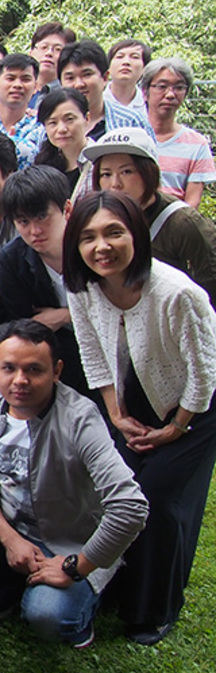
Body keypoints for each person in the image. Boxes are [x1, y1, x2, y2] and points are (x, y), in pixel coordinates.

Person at [64, 190, 216, 644]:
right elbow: (92, 353)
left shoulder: (177, 293)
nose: (101, 247)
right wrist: (116, 412)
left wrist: (177, 426)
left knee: (163, 502)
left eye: (114, 232)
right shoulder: (84, 287)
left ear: (138, 236)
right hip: (133, 402)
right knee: (121, 495)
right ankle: (115, 587)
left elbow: (205, 372)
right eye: (88, 237)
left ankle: (155, 610)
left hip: (197, 408)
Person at [0, 319, 148, 646]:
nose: (20, 380)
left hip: (68, 544)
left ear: (57, 370)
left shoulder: (80, 419)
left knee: (48, 618)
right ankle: (17, 580)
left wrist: (76, 566)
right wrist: (11, 540)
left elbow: (131, 506)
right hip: (8, 534)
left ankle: (88, 592)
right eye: (9, 368)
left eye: (34, 370)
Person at [86, 127, 216, 304]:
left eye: (126, 172)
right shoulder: (98, 220)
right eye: (106, 174)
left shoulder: (183, 224)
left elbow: (209, 284)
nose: (114, 184)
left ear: (149, 173)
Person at [0, 165, 87, 395]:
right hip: (58, 359)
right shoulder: (13, 260)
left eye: (42, 216)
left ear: (67, 209)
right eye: (23, 222)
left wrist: (67, 315)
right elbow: (26, 324)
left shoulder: (92, 247)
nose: (34, 231)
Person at [140, 58, 215, 207]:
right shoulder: (130, 137)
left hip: (174, 224)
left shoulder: (196, 144)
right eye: (162, 86)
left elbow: (192, 203)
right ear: (145, 92)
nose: (170, 94)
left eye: (179, 88)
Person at [57, 41, 150, 142]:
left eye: (87, 75)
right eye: (70, 78)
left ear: (105, 77)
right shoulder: (47, 128)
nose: (79, 84)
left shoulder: (132, 122)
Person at [34, 87, 92, 195]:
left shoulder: (98, 164)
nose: (62, 129)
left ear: (87, 119)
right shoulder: (43, 164)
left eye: (69, 119)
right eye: (53, 123)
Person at [0, 54, 43, 149]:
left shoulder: (41, 130)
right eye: (10, 79)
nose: (17, 85)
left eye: (25, 79)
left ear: (35, 87)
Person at [28, 22, 76, 107]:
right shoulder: (17, 88)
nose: (49, 53)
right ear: (31, 53)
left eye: (58, 49)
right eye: (44, 47)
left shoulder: (69, 96)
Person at [105, 39, 150, 114]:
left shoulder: (149, 104)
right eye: (120, 57)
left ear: (144, 68)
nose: (126, 62)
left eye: (135, 57)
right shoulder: (95, 101)